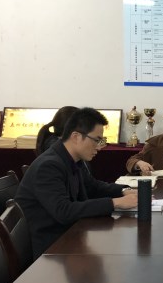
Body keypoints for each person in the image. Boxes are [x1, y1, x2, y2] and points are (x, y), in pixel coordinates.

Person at [16, 107, 138, 258]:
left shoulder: (71, 159)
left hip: (69, 234)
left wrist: (123, 191)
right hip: (50, 248)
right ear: (76, 137)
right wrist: (115, 203)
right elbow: (63, 211)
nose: (99, 147)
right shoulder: (49, 166)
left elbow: (92, 186)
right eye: (97, 140)